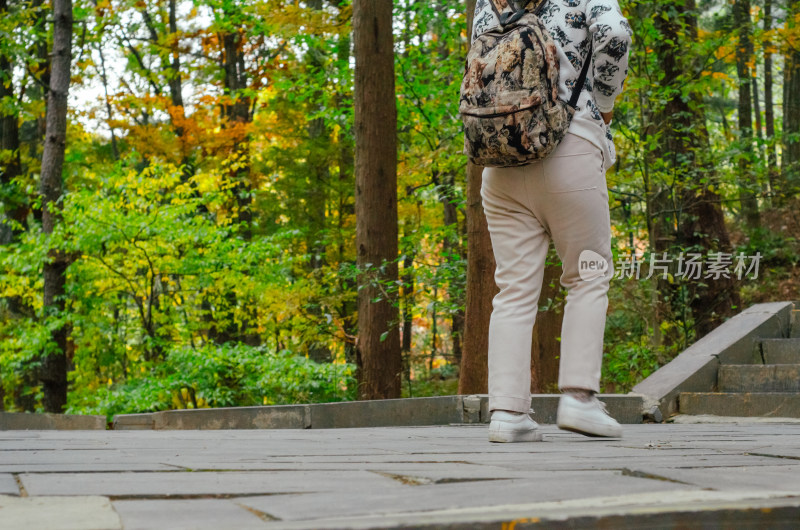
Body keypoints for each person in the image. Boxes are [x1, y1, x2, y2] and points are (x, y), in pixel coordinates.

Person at [470, 0, 633, 442]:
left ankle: (507, 413)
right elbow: (615, 35)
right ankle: (579, 400)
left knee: (515, 289)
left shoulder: (492, 3)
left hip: (501, 162)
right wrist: (603, 106)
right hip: (570, 146)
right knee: (588, 275)